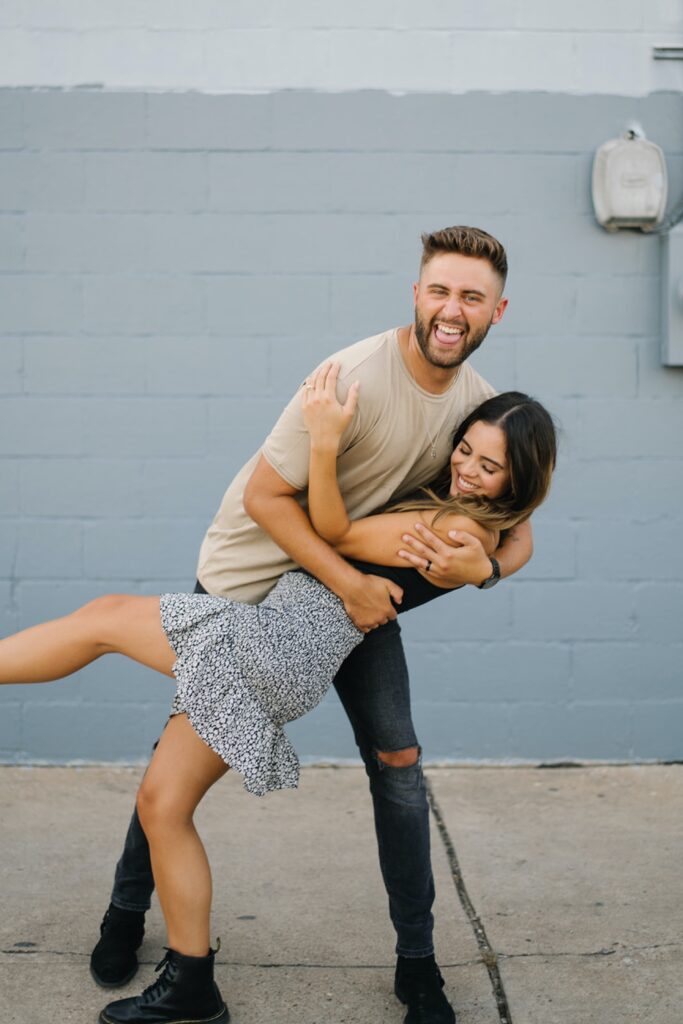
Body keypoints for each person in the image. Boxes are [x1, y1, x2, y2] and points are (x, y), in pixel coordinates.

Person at [23, 225, 534, 1024]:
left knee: (395, 763)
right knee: (171, 763)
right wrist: (379, 554)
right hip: (263, 583)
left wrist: (487, 564)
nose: (451, 309)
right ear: (415, 291)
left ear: (496, 311)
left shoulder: (480, 411)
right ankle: (128, 920)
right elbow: (273, 502)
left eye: (470, 297)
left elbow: (520, 508)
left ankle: (415, 966)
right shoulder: (353, 377)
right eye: (439, 289)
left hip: (320, 613)